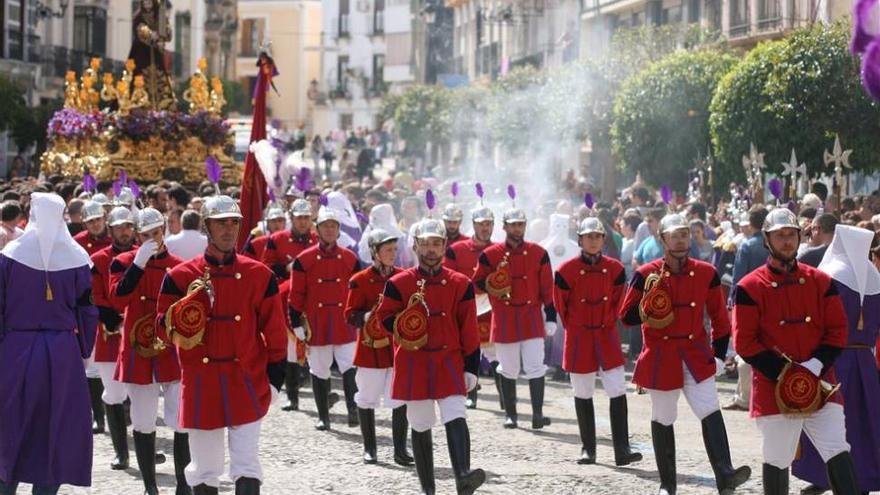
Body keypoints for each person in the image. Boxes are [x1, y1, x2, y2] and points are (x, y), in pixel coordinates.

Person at [157, 195, 287, 495]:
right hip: (201, 382)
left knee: (247, 465)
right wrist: (185, 315)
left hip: (247, 380)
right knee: (204, 467)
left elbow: (276, 332)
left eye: (234, 223)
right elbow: (162, 330)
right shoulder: (179, 277)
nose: (229, 230)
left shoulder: (259, 274)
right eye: (221, 224)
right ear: (207, 227)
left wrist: (275, 379)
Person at [619, 213, 750, 495]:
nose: (681, 239)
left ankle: (725, 474)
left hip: (695, 352)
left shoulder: (706, 272)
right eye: (674, 235)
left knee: (710, 408)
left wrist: (717, 354)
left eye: (685, 234)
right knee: (665, 416)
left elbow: (719, 317)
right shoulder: (645, 274)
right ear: (662, 239)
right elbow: (626, 317)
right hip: (661, 354)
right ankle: (668, 484)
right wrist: (649, 302)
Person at [732, 208, 858, 494]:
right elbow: (745, 342)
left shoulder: (821, 281)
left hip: (820, 382)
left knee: (838, 447)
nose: (787, 241)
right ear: (767, 240)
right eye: (780, 236)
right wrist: (786, 375)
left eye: (791, 235)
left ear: (800, 237)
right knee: (777, 456)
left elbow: (838, 330)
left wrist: (814, 366)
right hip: (773, 386)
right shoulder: (749, 287)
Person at [374, 218, 485, 495]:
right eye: (425, 244)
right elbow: (383, 318)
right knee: (421, 423)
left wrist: (471, 367)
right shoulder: (398, 283)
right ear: (415, 247)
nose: (431, 250)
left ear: (444, 246)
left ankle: (462, 476)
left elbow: (468, 328)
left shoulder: (461, 283)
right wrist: (405, 322)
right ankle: (428, 488)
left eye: (436, 244)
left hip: (449, 361)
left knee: (455, 414)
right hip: (414, 363)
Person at [0, 192, 98, 494]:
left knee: (10, 420)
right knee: (56, 424)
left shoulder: (10, 255)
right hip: (62, 353)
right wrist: (84, 351)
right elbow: (87, 310)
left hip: (15, 348)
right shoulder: (78, 258)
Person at [792, 224, 880, 494]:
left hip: (832, 358)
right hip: (864, 361)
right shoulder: (874, 277)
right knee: (861, 422)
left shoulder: (830, 274)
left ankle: (822, 476)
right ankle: (862, 478)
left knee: (828, 421)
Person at [110, 208, 188, 495]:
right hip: (137, 348)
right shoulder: (123, 262)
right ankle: (150, 485)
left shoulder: (179, 265)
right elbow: (118, 298)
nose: (152, 239)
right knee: (143, 419)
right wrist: (137, 266)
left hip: (171, 348)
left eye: (156, 232)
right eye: (145, 235)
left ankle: (183, 484)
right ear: (136, 235)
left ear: (164, 230)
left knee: (181, 417)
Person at [553, 217, 642, 466]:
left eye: (597, 236)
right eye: (588, 236)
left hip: (605, 335)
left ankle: (622, 449)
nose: (593, 241)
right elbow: (562, 306)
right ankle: (588, 449)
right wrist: (578, 326)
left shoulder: (615, 269)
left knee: (617, 389)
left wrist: (604, 321)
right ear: (580, 240)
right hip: (579, 336)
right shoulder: (565, 271)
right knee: (583, 391)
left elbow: (618, 302)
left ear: (604, 240)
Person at [473, 206, 556, 430]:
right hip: (504, 317)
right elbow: (477, 283)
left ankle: (538, 415)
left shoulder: (539, 253)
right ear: (504, 226)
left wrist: (551, 316)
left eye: (521, 224)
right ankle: (511, 415)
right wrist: (494, 282)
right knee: (508, 367)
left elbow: (548, 287)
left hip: (531, 317)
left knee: (535, 366)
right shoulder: (490, 255)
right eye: (513, 224)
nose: (517, 229)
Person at [344, 228, 413, 466]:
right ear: (375, 252)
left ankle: (400, 450)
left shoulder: (405, 276)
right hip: (370, 349)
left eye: (395, 250)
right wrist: (368, 318)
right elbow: (350, 315)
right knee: (367, 397)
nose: (392, 254)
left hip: (396, 348)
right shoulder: (359, 280)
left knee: (399, 399)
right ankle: (370, 448)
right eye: (387, 250)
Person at [289, 205, 361, 430]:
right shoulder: (304, 259)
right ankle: (324, 416)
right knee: (319, 369)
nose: (329, 230)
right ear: (317, 230)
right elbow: (296, 294)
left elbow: (358, 292)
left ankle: (353, 410)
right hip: (317, 324)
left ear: (338, 230)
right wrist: (296, 324)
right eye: (325, 226)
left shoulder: (350, 258)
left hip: (343, 323)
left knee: (349, 366)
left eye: (333, 226)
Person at [90, 206, 138, 471]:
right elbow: (94, 296)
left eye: (128, 226)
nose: (124, 231)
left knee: (142, 394)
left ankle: (143, 446)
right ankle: (122, 452)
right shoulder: (98, 260)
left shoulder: (145, 256)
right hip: (110, 334)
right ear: (110, 230)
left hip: (139, 334)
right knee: (115, 392)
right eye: (119, 227)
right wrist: (113, 320)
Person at [444, 206, 501, 410]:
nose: (485, 228)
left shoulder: (499, 251)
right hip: (464, 305)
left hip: (488, 306)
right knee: (468, 350)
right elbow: (447, 277)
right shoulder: (456, 250)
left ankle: (504, 395)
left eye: (489, 224)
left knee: (494, 351)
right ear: (473, 225)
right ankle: (471, 393)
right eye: (481, 224)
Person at [723, 206, 769, 412]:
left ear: (751, 223)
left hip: (749, 302)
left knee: (744, 346)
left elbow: (738, 279)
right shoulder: (771, 244)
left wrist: (732, 302)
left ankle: (744, 397)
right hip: (771, 301)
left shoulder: (748, 246)